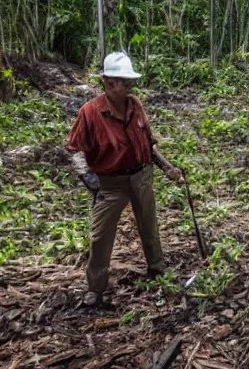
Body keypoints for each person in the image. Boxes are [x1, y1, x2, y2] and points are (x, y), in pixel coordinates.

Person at [67, 52, 183, 306]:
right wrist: (86, 175)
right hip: (111, 183)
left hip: (141, 176)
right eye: (123, 82)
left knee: (149, 226)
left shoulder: (135, 105)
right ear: (108, 82)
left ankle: (157, 271)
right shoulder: (91, 112)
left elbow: (149, 146)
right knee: (100, 236)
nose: (128, 87)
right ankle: (96, 288)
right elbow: (75, 149)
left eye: (129, 82)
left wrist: (168, 168)